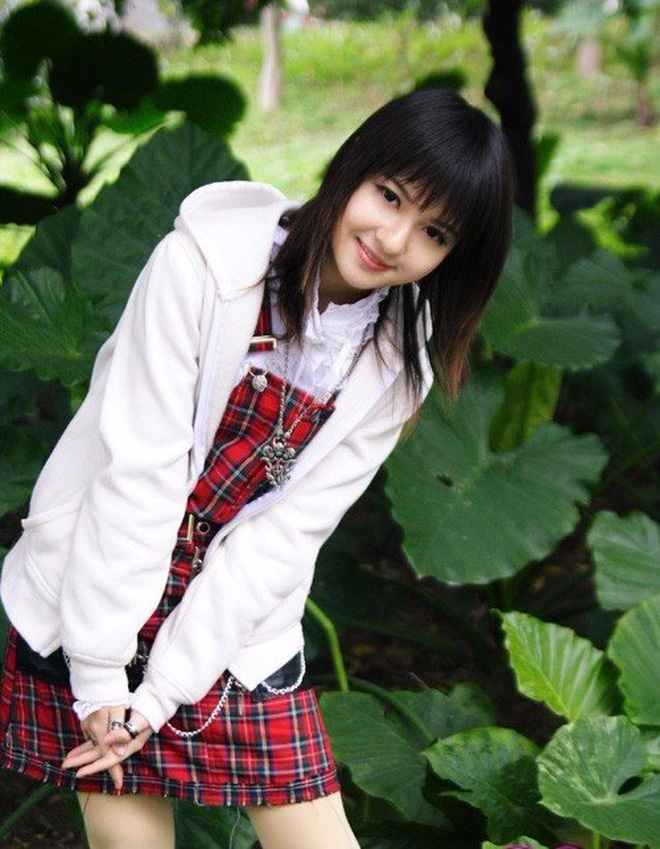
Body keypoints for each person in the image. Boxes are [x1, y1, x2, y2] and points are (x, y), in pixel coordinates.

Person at [0, 87, 515, 849]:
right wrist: (103, 676)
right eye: (389, 195)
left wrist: (163, 691)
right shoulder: (203, 266)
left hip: (231, 622)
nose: (393, 237)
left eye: (433, 232)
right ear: (353, 166)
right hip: (97, 586)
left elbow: (285, 535)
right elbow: (137, 471)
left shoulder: (395, 365)